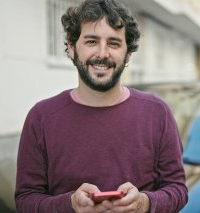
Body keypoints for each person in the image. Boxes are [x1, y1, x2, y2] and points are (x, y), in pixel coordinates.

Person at [15, 0, 188, 212]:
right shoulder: (41, 117)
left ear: (128, 54)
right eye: (91, 41)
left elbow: (178, 190)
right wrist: (70, 205)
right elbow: (25, 200)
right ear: (71, 47)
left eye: (114, 43)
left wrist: (144, 203)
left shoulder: (157, 112)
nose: (102, 53)